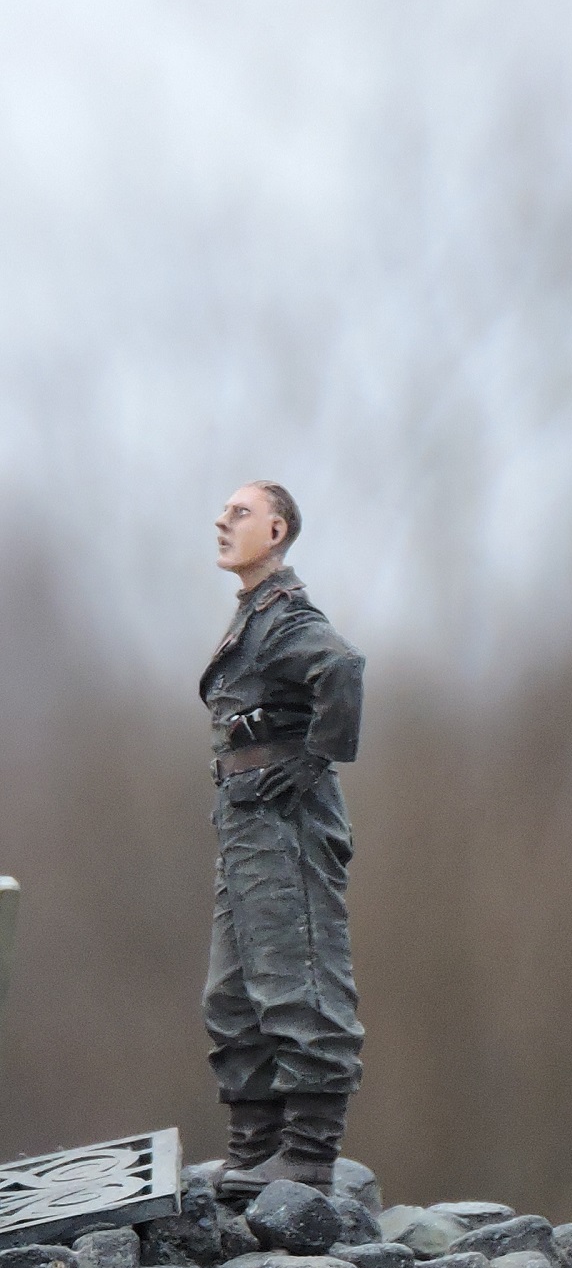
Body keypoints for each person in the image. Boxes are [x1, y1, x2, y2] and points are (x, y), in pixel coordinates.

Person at [201, 481, 365, 1197]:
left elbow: (342, 668)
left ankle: (307, 1154)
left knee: (296, 979)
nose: (222, 521)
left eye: (240, 513)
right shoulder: (255, 615)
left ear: (275, 532)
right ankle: (253, 1150)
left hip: (281, 816)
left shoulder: (285, 618)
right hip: (246, 818)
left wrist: (313, 758)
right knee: (232, 992)